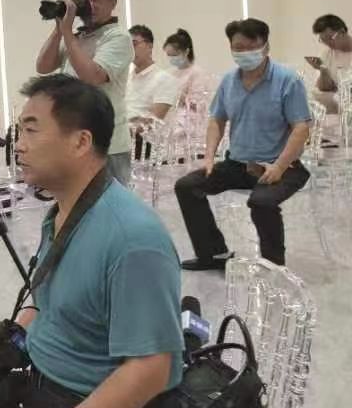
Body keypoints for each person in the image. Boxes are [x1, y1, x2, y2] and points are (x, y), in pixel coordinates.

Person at [0, 74, 184, 408]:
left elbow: (151, 370)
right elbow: (46, 308)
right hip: (46, 391)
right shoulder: (62, 214)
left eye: (32, 130)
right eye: (19, 131)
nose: (18, 145)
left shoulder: (133, 238)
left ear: (81, 142)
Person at [175, 18, 311, 269]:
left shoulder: (287, 80)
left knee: (261, 202)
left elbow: (301, 128)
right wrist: (209, 158)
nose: (245, 53)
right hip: (237, 164)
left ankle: (273, 267)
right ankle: (213, 254)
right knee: (187, 186)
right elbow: (217, 119)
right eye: (238, 48)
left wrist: (280, 166)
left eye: (251, 47)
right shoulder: (229, 81)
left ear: (266, 46)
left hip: (282, 165)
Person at [36, 0, 133, 185]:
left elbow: (92, 77)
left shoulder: (118, 36)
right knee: (77, 203)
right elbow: (43, 66)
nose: (89, 5)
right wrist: (59, 29)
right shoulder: (77, 37)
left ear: (113, 3)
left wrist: (68, 34)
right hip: (75, 141)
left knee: (110, 204)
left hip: (108, 147)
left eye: (95, 0)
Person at [126, 25, 179, 122]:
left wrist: (123, 127)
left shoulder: (165, 79)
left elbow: (154, 120)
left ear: (149, 46)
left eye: (134, 44)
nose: (130, 49)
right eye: (127, 45)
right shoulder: (126, 79)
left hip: (139, 132)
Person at [306, 14, 352, 114]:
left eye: (330, 38)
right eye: (323, 40)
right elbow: (324, 89)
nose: (328, 43)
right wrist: (323, 71)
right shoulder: (326, 54)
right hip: (335, 108)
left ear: (342, 32)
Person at [163, 28, 212, 101]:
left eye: (174, 55)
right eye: (169, 55)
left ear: (186, 52)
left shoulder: (198, 74)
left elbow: (198, 102)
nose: (171, 58)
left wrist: (178, 96)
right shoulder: (169, 73)